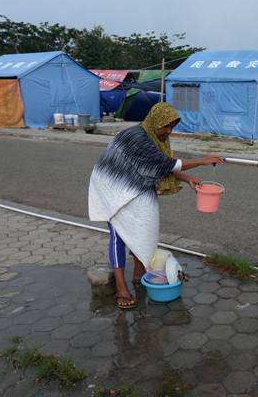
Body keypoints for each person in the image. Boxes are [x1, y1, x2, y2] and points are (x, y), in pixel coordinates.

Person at [88, 102, 222, 308]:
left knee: (143, 229)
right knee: (119, 237)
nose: (168, 132)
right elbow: (164, 164)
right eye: (166, 126)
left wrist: (187, 179)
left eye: (172, 127)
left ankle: (138, 275)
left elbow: (159, 164)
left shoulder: (153, 138)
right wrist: (204, 161)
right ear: (154, 122)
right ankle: (121, 288)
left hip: (135, 184)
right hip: (111, 189)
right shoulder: (136, 138)